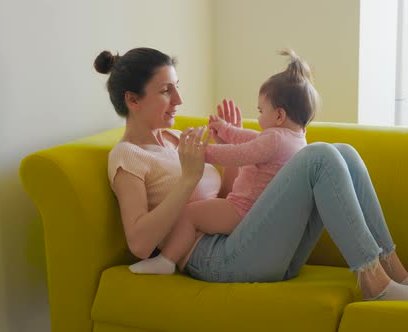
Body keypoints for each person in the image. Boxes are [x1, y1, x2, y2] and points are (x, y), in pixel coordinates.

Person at [96, 47, 408, 301]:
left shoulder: (179, 139)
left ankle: (395, 272)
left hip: (248, 240)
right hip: (213, 259)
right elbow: (140, 244)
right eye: (166, 90)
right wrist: (190, 178)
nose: (179, 100)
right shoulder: (128, 156)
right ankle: (374, 281)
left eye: (177, 87)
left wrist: (236, 158)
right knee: (319, 155)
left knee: (343, 154)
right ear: (132, 100)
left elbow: (227, 200)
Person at [128, 50, 315, 275]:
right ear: (132, 99)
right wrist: (226, 130)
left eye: (260, 111)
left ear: (279, 116)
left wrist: (201, 153)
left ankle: (166, 260)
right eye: (166, 90)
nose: (257, 118)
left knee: (189, 214)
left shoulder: (275, 139)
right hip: (249, 216)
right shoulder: (295, 138)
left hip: (241, 210)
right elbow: (248, 139)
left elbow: (237, 153)